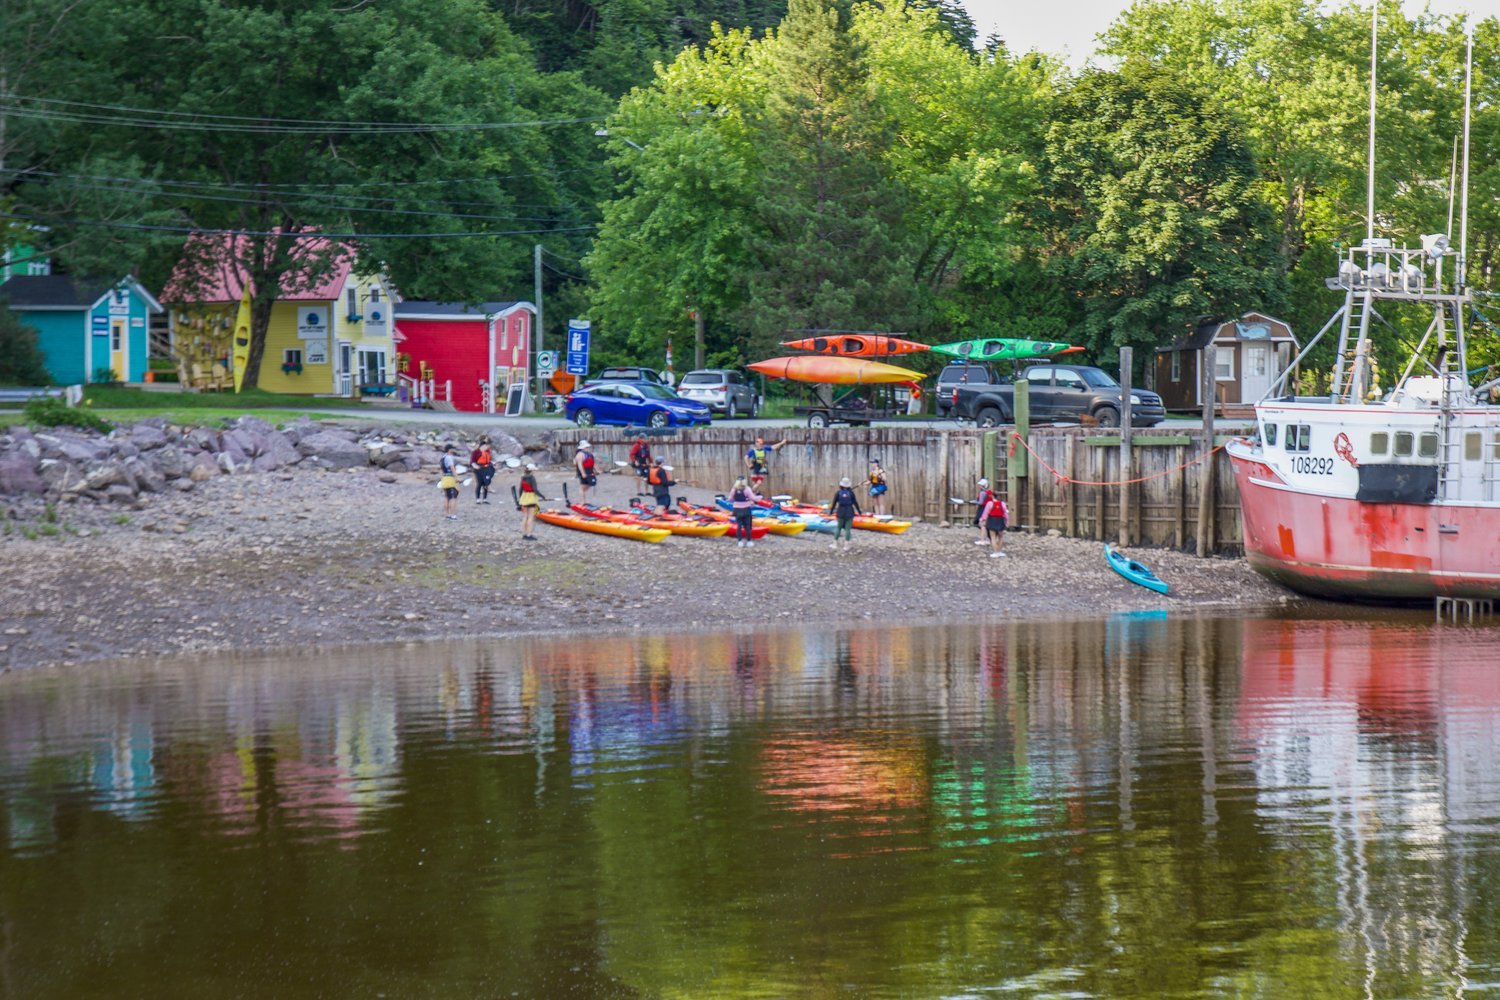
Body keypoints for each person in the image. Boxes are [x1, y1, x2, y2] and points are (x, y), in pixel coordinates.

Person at [827, 475, 861, 552]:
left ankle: (835, 544)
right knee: (848, 529)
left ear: (841, 485)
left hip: (840, 512)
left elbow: (834, 503)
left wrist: (831, 512)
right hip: (849, 511)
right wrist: (859, 511)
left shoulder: (838, 493)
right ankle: (846, 545)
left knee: (838, 528)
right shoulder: (851, 493)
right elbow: (855, 503)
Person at [516, 462, 546, 540]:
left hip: (524, 497)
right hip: (531, 498)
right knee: (530, 517)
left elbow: (520, 489)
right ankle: (529, 534)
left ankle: (524, 534)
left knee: (525, 516)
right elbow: (535, 489)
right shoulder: (532, 478)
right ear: (532, 470)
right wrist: (542, 496)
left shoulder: (523, 477)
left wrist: (520, 499)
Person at [728, 477, 759, 548]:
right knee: (748, 526)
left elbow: (730, 499)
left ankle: (740, 542)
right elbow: (753, 498)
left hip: (737, 510)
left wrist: (736, 501)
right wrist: (760, 497)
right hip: (746, 509)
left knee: (739, 526)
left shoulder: (734, 489)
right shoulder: (747, 489)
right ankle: (749, 541)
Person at [980, 489, 1009, 558]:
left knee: (993, 537)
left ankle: (995, 552)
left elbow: (985, 513)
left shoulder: (990, 503)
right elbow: (1005, 514)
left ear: (992, 496)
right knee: (1001, 537)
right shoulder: (1003, 504)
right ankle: (999, 551)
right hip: (1000, 520)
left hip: (992, 520)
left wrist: (982, 519)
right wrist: (1007, 522)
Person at [470, 436, 495, 504]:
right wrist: (475, 466)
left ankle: (485, 499)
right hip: (479, 469)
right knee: (479, 483)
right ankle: (478, 499)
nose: (486, 447)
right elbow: (472, 461)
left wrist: (492, 463)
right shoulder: (476, 452)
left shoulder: (487, 452)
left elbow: (489, 460)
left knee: (486, 483)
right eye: (485, 446)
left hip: (486, 469)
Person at [438, 446, 461, 520]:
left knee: (446, 496)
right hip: (450, 478)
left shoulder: (442, 458)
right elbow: (452, 468)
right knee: (453, 497)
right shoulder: (449, 458)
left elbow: (441, 470)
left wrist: (441, 480)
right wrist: (457, 477)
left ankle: (447, 514)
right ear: (449, 450)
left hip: (444, 478)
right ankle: (453, 514)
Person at [973, 477, 994, 546]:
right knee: (986, 525)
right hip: (989, 509)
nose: (979, 486)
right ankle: (989, 539)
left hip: (983, 509)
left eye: (980, 485)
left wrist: (974, 502)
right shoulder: (989, 492)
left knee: (982, 524)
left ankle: (982, 540)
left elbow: (980, 503)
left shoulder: (982, 493)